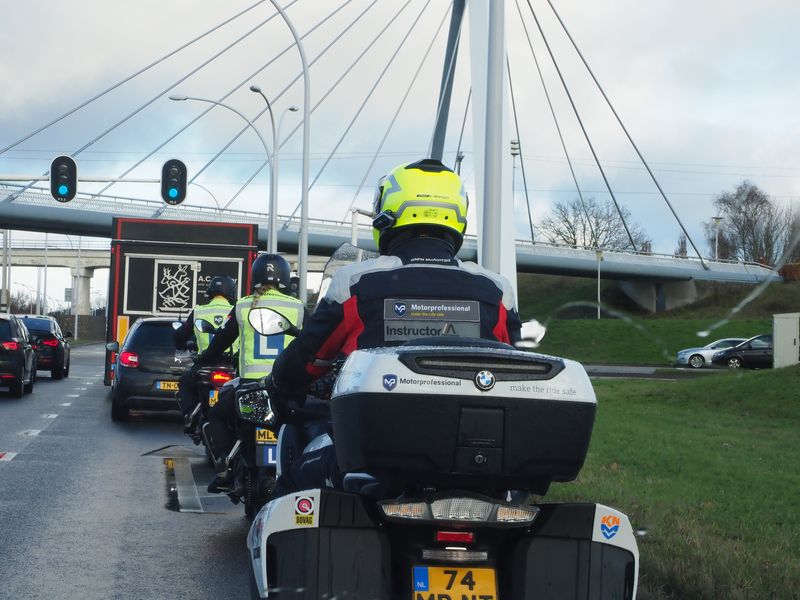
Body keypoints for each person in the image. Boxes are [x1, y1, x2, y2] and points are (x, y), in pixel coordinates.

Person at [265, 158, 522, 494]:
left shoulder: (355, 284)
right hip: (475, 460)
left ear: (387, 213)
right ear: (457, 217)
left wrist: (279, 385)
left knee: (290, 483)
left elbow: (306, 361)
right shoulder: (497, 291)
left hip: (373, 461)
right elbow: (514, 372)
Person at [196, 253, 306, 492]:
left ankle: (225, 466)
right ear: (285, 278)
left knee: (216, 415)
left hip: (252, 391)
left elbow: (222, 341)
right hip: (285, 391)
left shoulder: (244, 305)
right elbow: (313, 343)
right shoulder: (298, 307)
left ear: (255, 277)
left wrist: (205, 357)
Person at [174, 275, 238, 425]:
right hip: (231, 365)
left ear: (210, 292)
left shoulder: (199, 311)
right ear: (231, 293)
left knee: (185, 383)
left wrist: (182, 343)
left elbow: (181, 335)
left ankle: (190, 415)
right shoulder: (236, 310)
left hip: (205, 364)